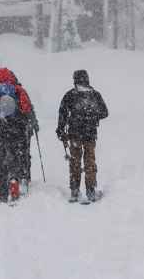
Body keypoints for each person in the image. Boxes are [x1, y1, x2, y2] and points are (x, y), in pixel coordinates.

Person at [0, 67, 35, 203]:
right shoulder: (17, 90)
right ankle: (15, 182)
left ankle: (1, 192)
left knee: (2, 158)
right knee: (16, 156)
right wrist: (31, 123)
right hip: (17, 129)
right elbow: (27, 108)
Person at [56, 69, 108, 203]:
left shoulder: (70, 95)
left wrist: (61, 130)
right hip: (90, 134)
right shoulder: (95, 94)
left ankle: (74, 190)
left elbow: (62, 113)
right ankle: (90, 191)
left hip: (74, 134)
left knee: (75, 161)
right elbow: (104, 113)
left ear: (75, 80)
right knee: (89, 161)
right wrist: (92, 115)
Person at [14, 76, 40, 190]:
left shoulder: (2, 93)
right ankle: (25, 176)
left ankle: (15, 177)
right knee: (24, 152)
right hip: (24, 128)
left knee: (13, 152)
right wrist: (34, 124)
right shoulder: (20, 91)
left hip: (9, 129)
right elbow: (28, 109)